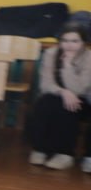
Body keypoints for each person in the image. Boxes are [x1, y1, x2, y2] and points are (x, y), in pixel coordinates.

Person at [28, 20, 91, 171]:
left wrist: (68, 66)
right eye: (65, 41)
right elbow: (45, 83)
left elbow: (81, 87)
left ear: (83, 42)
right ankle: (40, 149)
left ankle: (65, 154)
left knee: (68, 107)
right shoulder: (51, 53)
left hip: (83, 99)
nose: (69, 45)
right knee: (45, 103)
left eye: (75, 41)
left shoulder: (89, 57)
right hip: (58, 94)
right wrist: (63, 92)